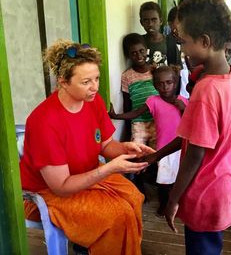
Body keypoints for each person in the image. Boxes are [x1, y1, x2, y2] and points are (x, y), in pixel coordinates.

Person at [20, 40, 154, 255]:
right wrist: (109, 168)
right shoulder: (44, 122)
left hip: (86, 175)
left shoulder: (93, 101)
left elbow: (106, 145)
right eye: (86, 82)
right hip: (47, 193)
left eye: (97, 78)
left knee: (133, 195)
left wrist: (128, 148)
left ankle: (95, 246)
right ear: (63, 82)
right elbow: (61, 187)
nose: (95, 87)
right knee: (116, 214)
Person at [136, 0, 231, 255]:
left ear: (204, 41)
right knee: (210, 247)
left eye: (184, 42)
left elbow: (195, 153)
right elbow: (193, 137)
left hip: (204, 189)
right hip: (222, 182)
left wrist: (173, 199)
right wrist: (157, 156)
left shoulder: (206, 90)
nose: (182, 49)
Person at [109, 65, 188, 217]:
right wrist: (116, 116)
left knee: (180, 179)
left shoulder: (183, 102)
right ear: (154, 85)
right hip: (163, 149)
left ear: (176, 82)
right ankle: (164, 204)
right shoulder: (153, 101)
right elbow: (135, 113)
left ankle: (179, 204)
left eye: (169, 82)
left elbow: (191, 125)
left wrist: (183, 109)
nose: (165, 87)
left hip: (181, 148)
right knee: (164, 181)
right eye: (160, 83)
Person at [121, 33, 158, 192]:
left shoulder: (155, 71)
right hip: (138, 121)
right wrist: (128, 125)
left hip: (158, 120)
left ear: (147, 50)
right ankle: (139, 185)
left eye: (142, 51)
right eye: (133, 53)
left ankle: (158, 182)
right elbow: (127, 102)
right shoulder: (127, 76)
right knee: (138, 153)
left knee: (157, 152)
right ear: (127, 55)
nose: (139, 55)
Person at [140, 1, 180, 67]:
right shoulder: (140, 42)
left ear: (161, 21)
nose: (150, 24)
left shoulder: (169, 42)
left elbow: (176, 68)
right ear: (141, 23)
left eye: (154, 20)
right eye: (146, 21)